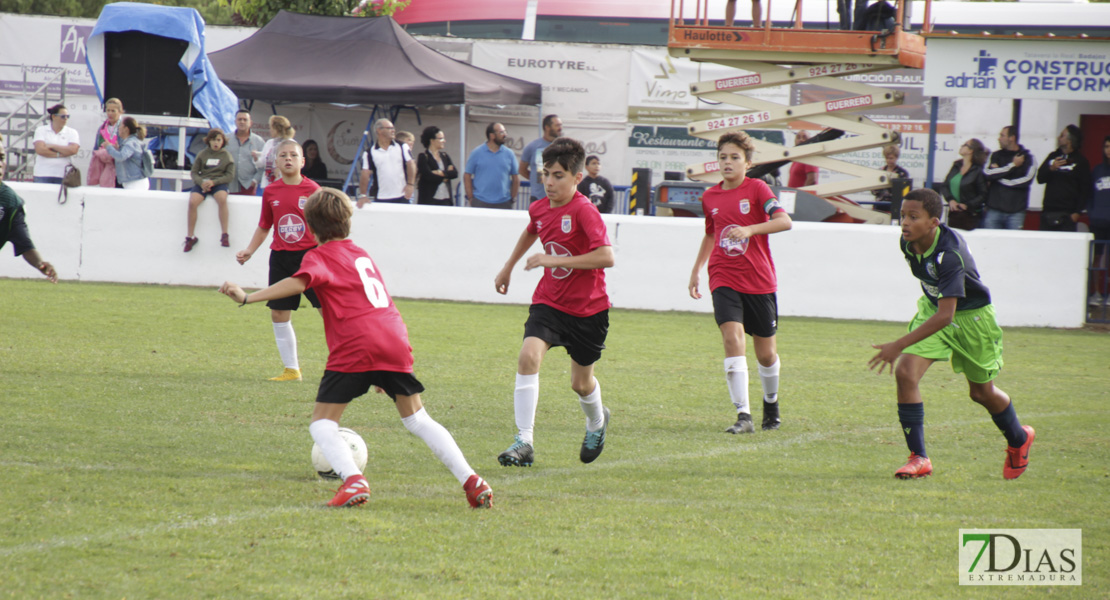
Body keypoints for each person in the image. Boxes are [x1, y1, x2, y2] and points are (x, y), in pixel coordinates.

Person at [219, 187, 492, 509]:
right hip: (393, 340)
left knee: (322, 424)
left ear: (310, 227)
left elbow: (299, 281)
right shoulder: (361, 254)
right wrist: (391, 362)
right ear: (348, 221)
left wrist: (249, 296)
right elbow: (382, 302)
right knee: (418, 419)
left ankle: (352, 480)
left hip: (356, 345)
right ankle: (473, 481)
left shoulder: (318, 256)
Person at [869, 188, 1035, 480]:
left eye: (913, 217)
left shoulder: (950, 255)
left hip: (973, 321)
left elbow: (948, 316)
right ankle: (919, 458)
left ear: (934, 222)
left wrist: (898, 344)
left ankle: (1019, 438)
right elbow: (939, 307)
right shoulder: (908, 244)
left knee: (981, 393)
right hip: (935, 310)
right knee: (906, 373)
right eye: (903, 215)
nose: (904, 223)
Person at [494, 137, 615, 467]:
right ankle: (524, 442)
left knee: (580, 383)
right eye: (546, 173)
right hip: (549, 303)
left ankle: (596, 422)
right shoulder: (539, 207)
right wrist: (508, 266)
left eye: (558, 175)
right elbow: (531, 229)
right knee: (528, 357)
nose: (549, 182)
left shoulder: (585, 211)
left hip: (589, 310)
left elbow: (606, 257)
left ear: (578, 178)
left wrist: (553, 260)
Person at [689, 131, 792, 434]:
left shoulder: (758, 188)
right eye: (723, 157)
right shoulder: (710, 196)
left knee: (765, 354)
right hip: (723, 276)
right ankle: (743, 416)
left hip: (759, 281)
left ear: (748, 163)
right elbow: (711, 233)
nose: (728, 162)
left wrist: (750, 230)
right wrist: (697, 269)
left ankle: (770, 404)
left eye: (735, 157)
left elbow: (784, 221)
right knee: (732, 339)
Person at [236, 139, 321, 382]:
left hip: (311, 259)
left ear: (302, 161)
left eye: (293, 155)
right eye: (283, 155)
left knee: (329, 313)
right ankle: (292, 370)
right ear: (276, 161)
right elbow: (265, 225)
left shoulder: (314, 190)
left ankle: (351, 365)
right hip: (281, 258)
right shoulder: (271, 191)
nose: (288, 158)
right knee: (279, 314)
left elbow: (326, 225)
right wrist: (250, 250)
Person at [0, 135, 57, 283]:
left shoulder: (11, 202)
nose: (0, 163)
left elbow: (24, 244)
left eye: (1, 157)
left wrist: (40, 264)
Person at [184, 128, 236, 251]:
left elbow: (230, 175)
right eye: (213, 140)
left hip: (218, 182)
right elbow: (194, 172)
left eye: (218, 140)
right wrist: (202, 182)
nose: (216, 143)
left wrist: (214, 182)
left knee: (222, 199)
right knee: (192, 202)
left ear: (223, 141)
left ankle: (224, 234)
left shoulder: (226, 156)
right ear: (208, 141)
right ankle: (190, 236)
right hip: (203, 182)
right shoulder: (202, 154)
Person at [1037, 125, 1091, 233]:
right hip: (1048, 211)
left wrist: (1077, 213)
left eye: (1062, 136)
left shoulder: (1081, 161)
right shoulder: (1053, 156)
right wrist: (1051, 168)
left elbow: (1085, 189)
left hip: (1068, 214)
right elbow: (1040, 178)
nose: (1058, 138)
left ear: (1070, 140)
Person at [981, 125, 1035, 230]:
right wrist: (1012, 166)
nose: (999, 138)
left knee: (1014, 245)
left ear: (1012, 138)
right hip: (994, 210)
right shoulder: (995, 155)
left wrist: (999, 176)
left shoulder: (1028, 157)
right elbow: (986, 174)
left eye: (1002, 135)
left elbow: (1027, 180)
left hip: (1016, 212)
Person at [358, 119, 415, 207]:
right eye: (389, 128)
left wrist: (410, 184)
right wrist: (363, 195)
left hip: (402, 195)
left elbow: (411, 164)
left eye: (393, 128)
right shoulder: (369, 152)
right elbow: (365, 174)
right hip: (381, 197)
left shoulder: (402, 146)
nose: (393, 130)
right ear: (379, 130)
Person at [464, 123, 519, 209]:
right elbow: (467, 175)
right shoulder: (476, 153)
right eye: (501, 132)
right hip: (480, 202)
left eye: (505, 132)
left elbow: (516, 178)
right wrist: (470, 197)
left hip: (504, 203)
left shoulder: (509, 154)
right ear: (492, 135)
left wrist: (512, 198)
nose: (505, 135)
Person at [940, 138, 989, 231]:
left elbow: (983, 194)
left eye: (965, 145)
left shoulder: (977, 171)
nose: (962, 146)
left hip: (970, 215)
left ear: (971, 151)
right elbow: (945, 185)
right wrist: (950, 200)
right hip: (954, 213)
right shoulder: (956, 165)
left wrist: (968, 205)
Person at [32, 104, 80, 184]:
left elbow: (73, 150)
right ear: (54, 116)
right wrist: (62, 153)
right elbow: (40, 150)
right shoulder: (41, 130)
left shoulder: (72, 132)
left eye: (67, 116)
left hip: (64, 174)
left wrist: (52, 146)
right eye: (63, 116)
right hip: (42, 173)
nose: (65, 119)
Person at [520, 115, 563, 203]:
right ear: (547, 127)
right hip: (538, 198)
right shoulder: (533, 146)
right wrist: (536, 179)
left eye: (560, 125)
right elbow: (522, 169)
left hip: (558, 199)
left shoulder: (563, 147)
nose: (560, 128)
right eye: (557, 125)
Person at [1090, 136, 1110, 307]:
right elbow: (1090, 195)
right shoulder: (1097, 170)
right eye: (1106, 146)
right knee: (1097, 257)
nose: (1108, 150)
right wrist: (1092, 212)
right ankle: (1096, 293)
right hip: (1098, 220)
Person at [103, 116, 149, 192]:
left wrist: (109, 147)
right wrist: (117, 149)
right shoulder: (132, 141)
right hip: (134, 180)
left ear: (126, 129)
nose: (118, 129)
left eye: (120, 126)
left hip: (135, 182)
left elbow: (121, 157)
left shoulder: (130, 143)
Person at [416, 126, 457, 207]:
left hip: (446, 198)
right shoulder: (423, 157)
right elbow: (428, 176)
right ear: (432, 140)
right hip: (430, 199)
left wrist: (439, 172)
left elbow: (454, 173)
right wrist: (445, 176)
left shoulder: (445, 156)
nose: (444, 141)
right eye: (441, 138)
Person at [88, 98, 123, 188]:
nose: (110, 113)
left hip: (121, 170)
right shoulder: (102, 128)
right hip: (106, 168)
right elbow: (96, 149)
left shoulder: (124, 127)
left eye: (113, 111)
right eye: (108, 110)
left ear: (120, 112)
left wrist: (111, 149)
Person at [227, 110, 264, 195]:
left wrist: (255, 180)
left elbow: (264, 165)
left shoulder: (258, 141)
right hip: (228, 185)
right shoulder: (225, 139)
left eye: (245, 119)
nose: (242, 122)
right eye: (239, 119)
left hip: (248, 186)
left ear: (250, 123)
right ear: (235, 122)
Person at [255, 115, 295, 193]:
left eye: (271, 128)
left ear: (277, 129)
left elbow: (294, 163)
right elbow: (262, 163)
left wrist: (279, 170)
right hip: (268, 183)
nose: (269, 130)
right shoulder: (269, 143)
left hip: (284, 183)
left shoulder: (291, 143)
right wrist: (256, 158)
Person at [871, 144, 910, 213]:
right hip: (879, 206)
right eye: (887, 158)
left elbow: (905, 193)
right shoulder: (880, 171)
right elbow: (873, 190)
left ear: (896, 157)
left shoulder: (902, 173)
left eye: (891, 158)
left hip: (894, 207)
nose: (889, 160)